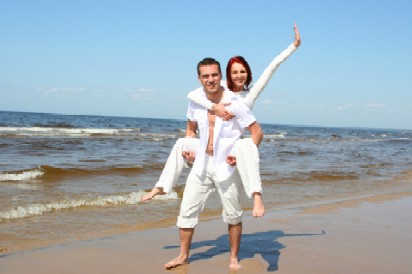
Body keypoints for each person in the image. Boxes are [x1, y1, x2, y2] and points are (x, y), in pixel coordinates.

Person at [142, 23, 301, 218]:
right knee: (181, 142)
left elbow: (272, 67)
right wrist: (213, 107)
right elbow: (192, 94)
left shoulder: (250, 94)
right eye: (234, 72)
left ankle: (257, 196)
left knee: (247, 146)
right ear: (228, 74)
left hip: (232, 147)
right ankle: (161, 187)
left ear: (248, 73)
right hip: (209, 147)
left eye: (243, 71)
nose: (239, 76)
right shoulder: (221, 87)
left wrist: (293, 46)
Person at [165, 57, 263, 270]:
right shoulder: (196, 101)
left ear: (221, 76)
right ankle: (183, 255)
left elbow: (257, 133)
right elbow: (190, 130)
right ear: (199, 78)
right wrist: (189, 150)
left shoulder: (234, 102)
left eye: (214, 75)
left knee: (233, 213)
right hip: (201, 164)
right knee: (187, 210)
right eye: (206, 76)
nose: (210, 80)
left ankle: (233, 257)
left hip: (226, 167)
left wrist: (240, 157)